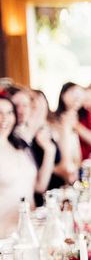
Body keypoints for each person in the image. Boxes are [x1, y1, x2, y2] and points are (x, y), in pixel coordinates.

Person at [0, 93, 37, 237]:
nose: (4, 118)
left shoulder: (19, 144)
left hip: (28, 228)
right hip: (5, 236)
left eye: (9, 112)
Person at [48, 82, 83, 189]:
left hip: (73, 175)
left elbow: (77, 158)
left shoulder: (75, 121)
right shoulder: (54, 122)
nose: (77, 97)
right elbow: (65, 164)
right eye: (73, 92)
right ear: (63, 95)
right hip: (58, 180)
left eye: (79, 94)